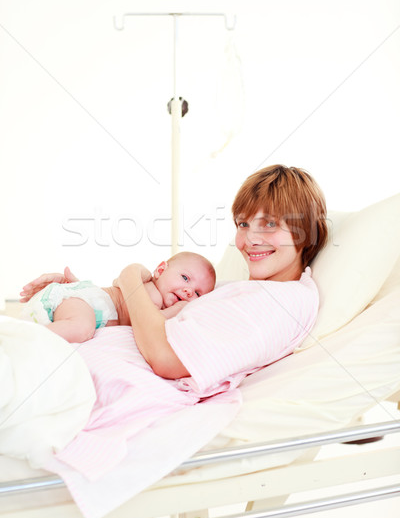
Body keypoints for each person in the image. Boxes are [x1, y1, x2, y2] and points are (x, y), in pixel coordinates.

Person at [20, 165, 328, 384]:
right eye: (243, 224)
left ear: (308, 232)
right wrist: (83, 293)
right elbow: (144, 311)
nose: (249, 239)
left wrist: (128, 279)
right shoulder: (239, 290)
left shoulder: (281, 301)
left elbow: (166, 358)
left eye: (270, 224)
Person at [20, 251, 216, 343]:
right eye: (185, 278)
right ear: (161, 270)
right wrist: (178, 309)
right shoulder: (152, 294)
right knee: (81, 328)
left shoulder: (144, 288)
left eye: (198, 293)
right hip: (84, 301)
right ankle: (22, 339)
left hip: (86, 302)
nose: (189, 291)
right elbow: (155, 323)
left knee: (79, 325)